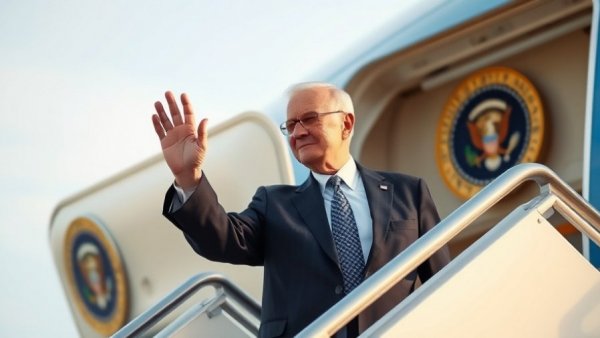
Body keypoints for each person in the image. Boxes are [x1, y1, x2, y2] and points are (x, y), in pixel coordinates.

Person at [151, 82, 450, 337]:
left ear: (346, 123)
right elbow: (224, 239)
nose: (298, 132)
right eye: (291, 125)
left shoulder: (409, 193)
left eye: (309, 119)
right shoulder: (274, 204)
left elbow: (446, 280)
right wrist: (188, 178)